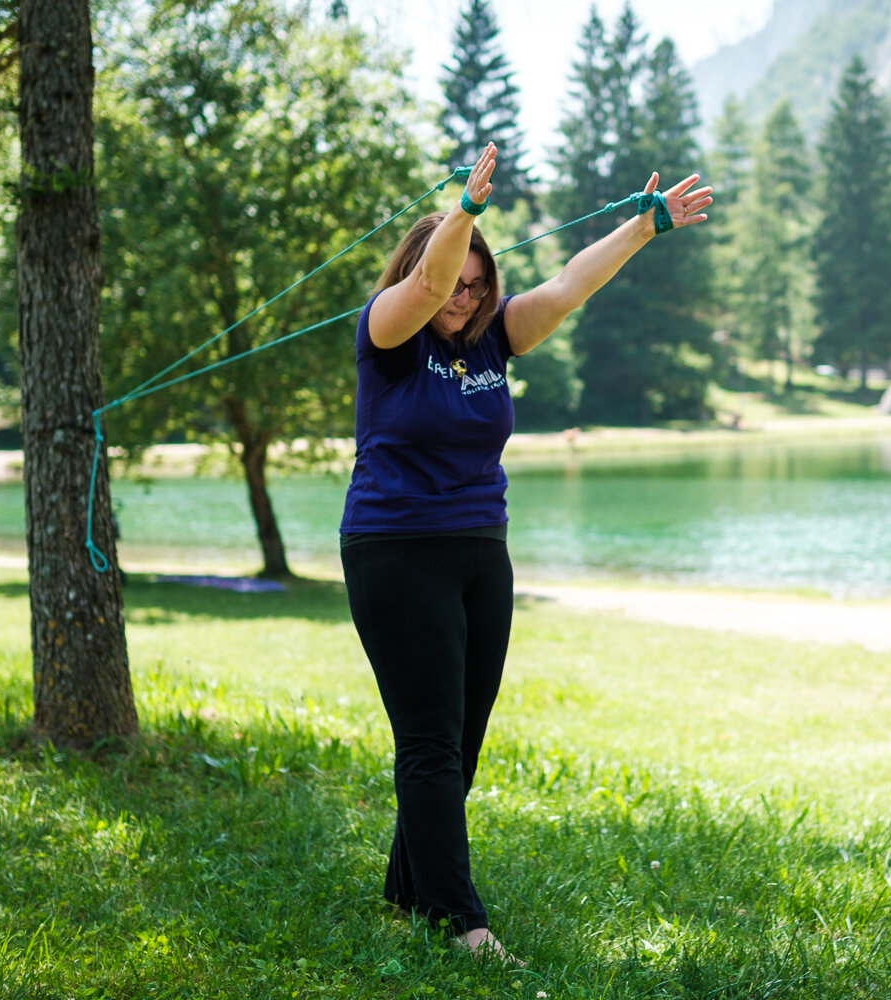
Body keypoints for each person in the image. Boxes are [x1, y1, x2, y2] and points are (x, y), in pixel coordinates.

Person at [339, 143, 712, 961]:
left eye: (479, 285)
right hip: (396, 550)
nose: (464, 299)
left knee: (460, 742)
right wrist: (466, 214)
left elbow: (569, 285)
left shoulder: (494, 338)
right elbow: (430, 284)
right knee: (431, 741)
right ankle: (461, 923)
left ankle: (408, 890)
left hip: (480, 551)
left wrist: (641, 229)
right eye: (455, 283)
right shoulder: (389, 332)